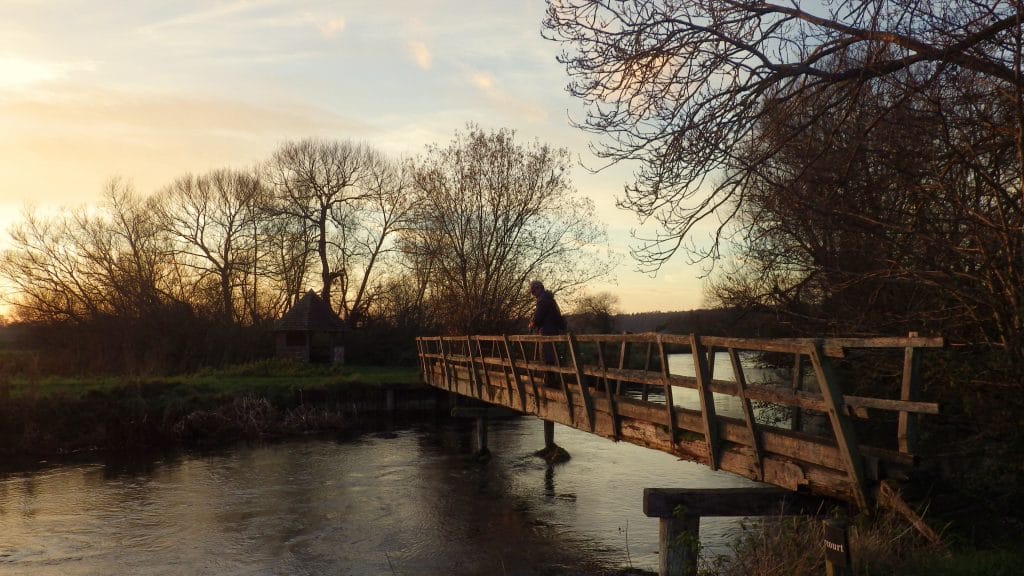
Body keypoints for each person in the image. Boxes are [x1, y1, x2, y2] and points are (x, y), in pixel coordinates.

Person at [527, 281, 566, 382]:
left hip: (546, 332)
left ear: (539, 289)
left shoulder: (543, 300)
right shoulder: (550, 299)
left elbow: (537, 317)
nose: (533, 294)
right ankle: (553, 379)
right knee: (553, 356)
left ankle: (549, 381)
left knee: (546, 356)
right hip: (554, 331)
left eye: (533, 291)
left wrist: (532, 324)